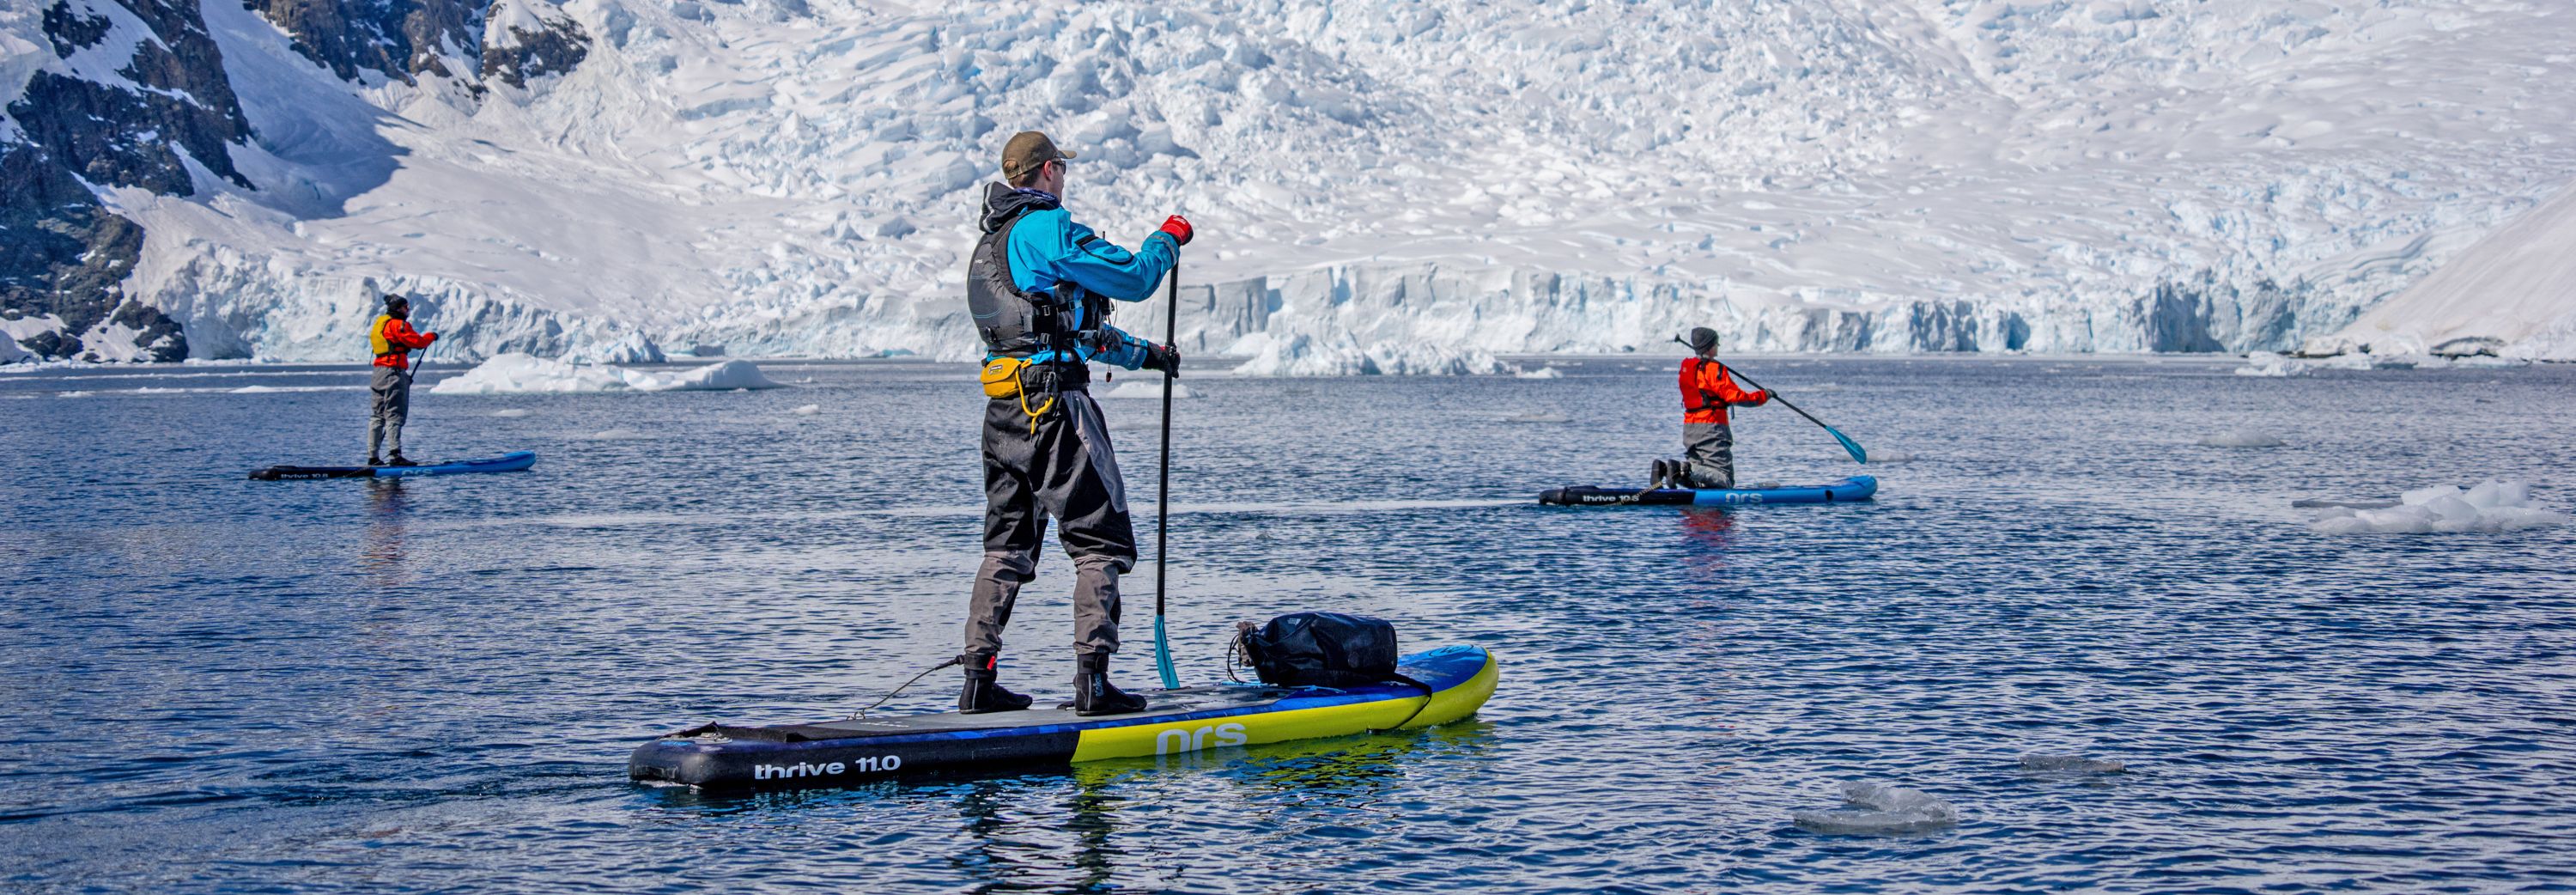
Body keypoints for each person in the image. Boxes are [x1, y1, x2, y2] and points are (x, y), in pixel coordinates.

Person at [959, 130, 1188, 716]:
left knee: (1006, 547)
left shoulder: (993, 244)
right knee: (1100, 540)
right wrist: (1168, 240)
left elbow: (1071, 332)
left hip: (1004, 414)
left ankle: (978, 683)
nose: (1065, 179)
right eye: (1062, 168)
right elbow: (1136, 278)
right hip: (1054, 410)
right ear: (1047, 171)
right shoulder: (1047, 227)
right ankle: (1093, 684)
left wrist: (1148, 356)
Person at [1656, 327, 1768, 490]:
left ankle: (1663, 469)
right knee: (1724, 478)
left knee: (1701, 477)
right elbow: (1735, 397)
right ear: (1709, 346)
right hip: (1712, 426)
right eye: (1716, 343)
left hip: (1690, 427)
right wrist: (1763, 396)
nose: (1718, 346)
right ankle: (1680, 468)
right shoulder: (1714, 369)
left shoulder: (1688, 368)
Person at [367, 295, 438, 467]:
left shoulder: (380, 323)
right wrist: (431, 336)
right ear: (398, 308)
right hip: (393, 373)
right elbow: (418, 342)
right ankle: (395, 455)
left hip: (378, 374)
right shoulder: (397, 324)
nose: (408, 310)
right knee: (394, 414)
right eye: (406, 307)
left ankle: (373, 457)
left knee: (377, 416)